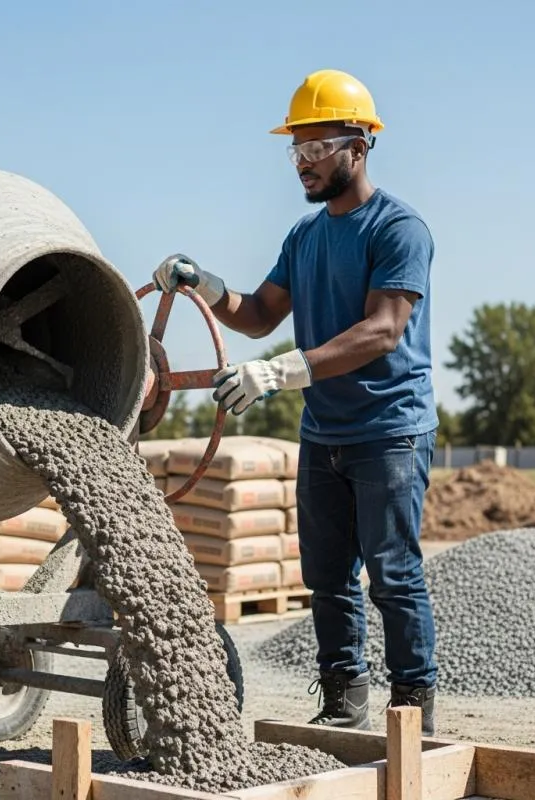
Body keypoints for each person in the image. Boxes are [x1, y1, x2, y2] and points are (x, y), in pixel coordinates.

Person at [153, 69, 439, 735]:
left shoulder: (398, 229)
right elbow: (255, 314)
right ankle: (343, 701)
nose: (303, 163)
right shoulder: (305, 237)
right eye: (296, 149)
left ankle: (412, 713)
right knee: (328, 576)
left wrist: (281, 373)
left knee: (393, 574)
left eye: (316, 148)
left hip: (389, 429)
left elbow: (383, 328)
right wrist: (206, 283)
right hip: (326, 430)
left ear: (359, 147)